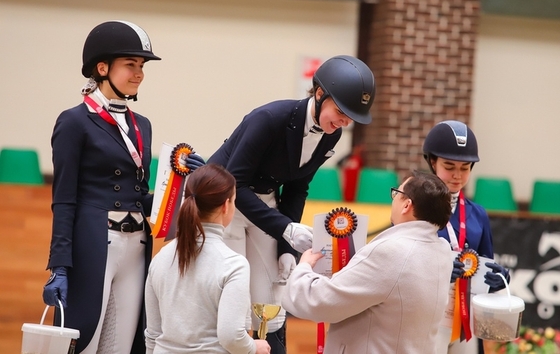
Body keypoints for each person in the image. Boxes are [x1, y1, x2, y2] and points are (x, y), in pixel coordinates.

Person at [41, 20, 203, 353]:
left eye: (141, 66)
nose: (139, 73)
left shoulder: (141, 125)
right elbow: (64, 200)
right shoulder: (74, 121)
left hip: (136, 244)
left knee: (124, 343)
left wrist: (183, 185)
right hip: (95, 242)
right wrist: (59, 264)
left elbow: (138, 194)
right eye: (131, 64)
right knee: (85, 338)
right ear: (102, 67)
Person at [207, 55, 376, 353]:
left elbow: (298, 188)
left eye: (351, 118)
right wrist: (285, 229)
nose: (344, 123)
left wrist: (287, 249)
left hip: (264, 204)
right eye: (341, 112)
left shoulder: (329, 134)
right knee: (233, 293)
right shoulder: (269, 118)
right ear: (320, 94)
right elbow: (235, 183)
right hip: (225, 205)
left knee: (272, 298)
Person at [281, 171, 454, 353]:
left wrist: (304, 267)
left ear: (406, 205)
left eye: (397, 194)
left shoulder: (390, 252)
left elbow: (320, 302)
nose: (393, 199)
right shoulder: (442, 249)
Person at [144, 164, 270, 354]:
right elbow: (231, 336)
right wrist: (254, 347)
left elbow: (153, 335)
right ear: (226, 206)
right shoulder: (234, 264)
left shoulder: (160, 258)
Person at [422, 120, 511, 354]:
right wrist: (436, 270)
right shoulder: (414, 210)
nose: (457, 176)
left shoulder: (478, 214)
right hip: (427, 320)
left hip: (466, 322)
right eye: (449, 166)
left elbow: (484, 267)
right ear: (432, 162)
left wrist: (498, 279)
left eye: (465, 168)